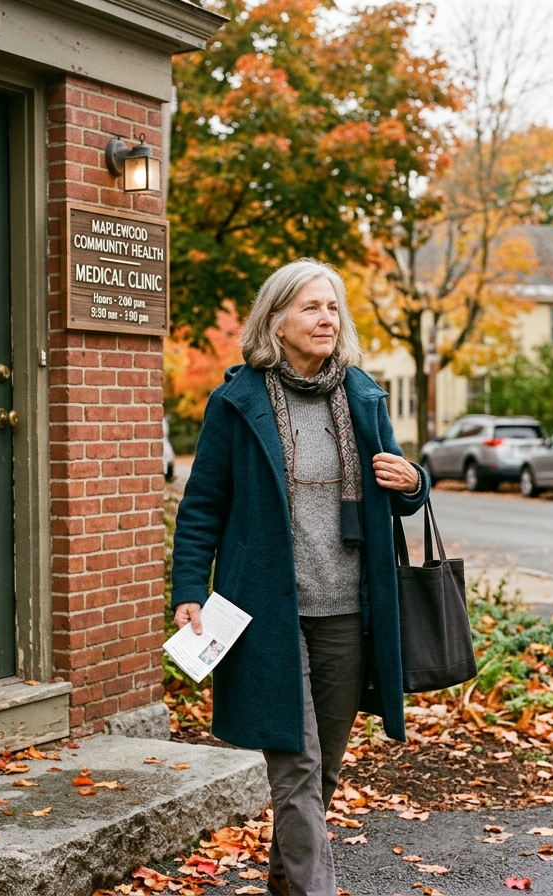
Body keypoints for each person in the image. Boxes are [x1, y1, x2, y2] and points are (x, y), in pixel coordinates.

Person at [170, 258, 429, 896]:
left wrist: (413, 482)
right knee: (297, 766)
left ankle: (285, 885)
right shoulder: (237, 403)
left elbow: (395, 489)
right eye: (311, 307)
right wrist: (187, 589)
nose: (325, 318)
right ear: (277, 320)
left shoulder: (364, 397)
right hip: (266, 613)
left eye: (333, 307)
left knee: (324, 771)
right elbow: (203, 505)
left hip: (349, 609)